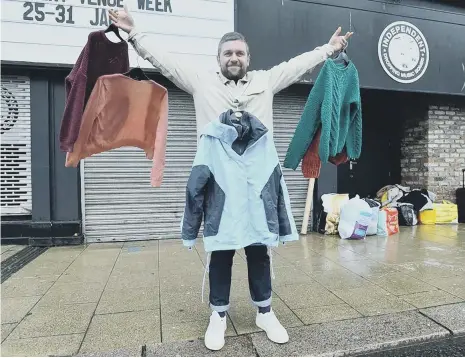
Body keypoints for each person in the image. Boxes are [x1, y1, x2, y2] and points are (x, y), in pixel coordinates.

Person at [109, 6, 352, 351]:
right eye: (228, 53)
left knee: (258, 250)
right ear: (219, 57)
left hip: (256, 187)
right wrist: (134, 33)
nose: (234, 58)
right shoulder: (201, 81)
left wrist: (329, 49)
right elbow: (164, 61)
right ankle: (218, 316)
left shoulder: (266, 81)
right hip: (219, 186)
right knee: (220, 251)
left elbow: (300, 64)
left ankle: (264, 312)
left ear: (248, 57)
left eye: (239, 53)